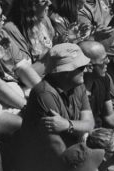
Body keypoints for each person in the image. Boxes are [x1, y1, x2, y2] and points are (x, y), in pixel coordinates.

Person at [18, 43, 95, 171]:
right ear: (64, 72)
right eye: (80, 67)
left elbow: (89, 124)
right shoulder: (44, 94)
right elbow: (56, 145)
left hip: (71, 153)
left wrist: (67, 124)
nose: (86, 70)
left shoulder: (78, 85)